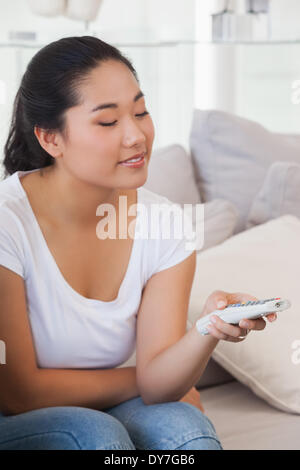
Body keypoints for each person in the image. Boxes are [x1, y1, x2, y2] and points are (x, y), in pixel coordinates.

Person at [0, 36, 277, 451]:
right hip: (15, 417)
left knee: (187, 431)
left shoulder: (163, 224)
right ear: (50, 139)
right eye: (108, 122)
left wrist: (207, 329)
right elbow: (20, 394)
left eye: (141, 112)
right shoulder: (9, 222)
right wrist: (143, 381)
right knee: (94, 435)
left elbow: (161, 380)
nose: (136, 135)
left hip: (111, 404)